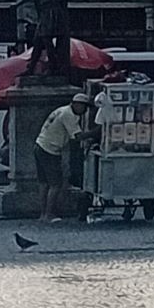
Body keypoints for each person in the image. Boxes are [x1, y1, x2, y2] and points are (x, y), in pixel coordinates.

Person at [34, 92, 91, 223]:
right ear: (77, 105)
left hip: (40, 145)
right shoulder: (69, 115)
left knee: (44, 183)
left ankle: (43, 214)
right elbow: (77, 136)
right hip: (50, 150)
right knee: (55, 184)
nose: (85, 110)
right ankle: (49, 214)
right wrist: (96, 132)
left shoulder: (61, 110)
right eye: (84, 107)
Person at [19, 0, 77, 77]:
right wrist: (17, 4)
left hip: (54, 12)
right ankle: (32, 67)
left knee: (46, 38)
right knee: (38, 41)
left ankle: (52, 66)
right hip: (44, 12)